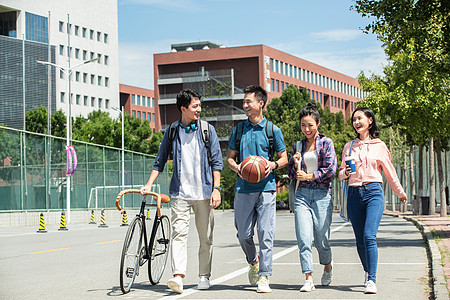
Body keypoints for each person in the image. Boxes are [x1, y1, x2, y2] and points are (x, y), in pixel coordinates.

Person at [140, 89, 223, 294]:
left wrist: (216, 189)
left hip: (203, 192)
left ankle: (204, 276)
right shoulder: (172, 131)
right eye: (195, 106)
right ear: (183, 108)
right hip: (180, 194)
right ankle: (178, 276)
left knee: (205, 237)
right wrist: (149, 184)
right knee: (179, 234)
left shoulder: (207, 130)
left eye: (199, 106)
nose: (199, 110)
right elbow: (159, 161)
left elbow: (216, 162)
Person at [338, 107, 407, 294]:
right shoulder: (349, 146)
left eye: (360, 118)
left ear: (370, 120)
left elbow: (389, 172)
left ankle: (372, 279)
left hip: (373, 192)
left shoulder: (380, 145)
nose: (356, 122)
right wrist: (346, 172)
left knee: (369, 236)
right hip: (353, 194)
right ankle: (367, 272)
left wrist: (400, 192)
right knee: (360, 239)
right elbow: (341, 174)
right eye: (354, 119)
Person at [227, 85, 288, 293]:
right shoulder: (238, 130)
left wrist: (273, 165)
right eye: (244, 102)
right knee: (243, 234)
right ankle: (253, 260)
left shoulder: (273, 130)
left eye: (248, 102)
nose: (245, 105)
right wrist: (237, 167)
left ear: (261, 103)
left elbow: (284, 158)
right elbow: (230, 158)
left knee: (265, 233)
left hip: (267, 188)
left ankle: (264, 275)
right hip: (243, 188)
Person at [287, 102, 337, 292]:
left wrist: (310, 175)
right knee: (304, 237)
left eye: (310, 125)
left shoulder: (327, 143)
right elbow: (293, 175)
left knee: (321, 238)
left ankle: (328, 265)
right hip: (302, 195)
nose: (306, 129)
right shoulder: (298, 146)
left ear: (317, 124)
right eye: (303, 125)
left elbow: (330, 170)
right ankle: (308, 277)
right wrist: (295, 163)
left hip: (323, 194)